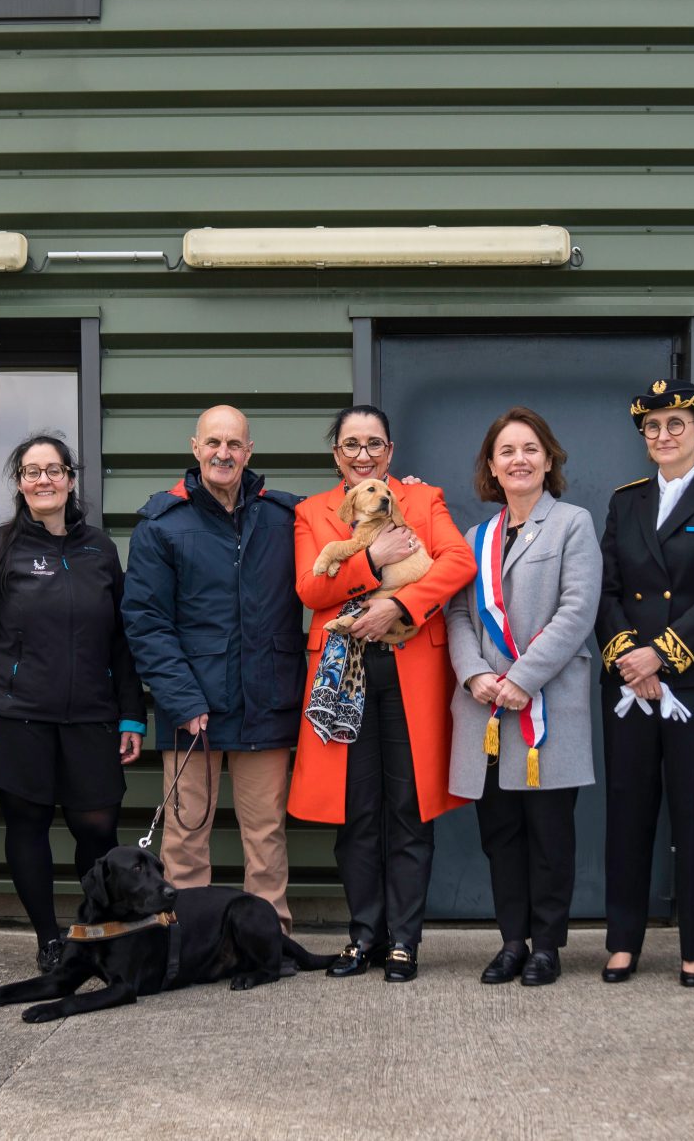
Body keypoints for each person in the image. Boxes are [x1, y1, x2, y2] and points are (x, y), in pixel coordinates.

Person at [290, 405, 478, 982]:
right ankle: (363, 936)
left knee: (408, 808)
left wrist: (400, 603)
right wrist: (372, 561)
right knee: (356, 812)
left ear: (390, 452)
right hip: (343, 676)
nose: (363, 454)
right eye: (351, 444)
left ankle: (404, 941)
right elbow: (310, 587)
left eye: (374, 444)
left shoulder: (423, 501)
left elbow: (458, 561)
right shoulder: (310, 513)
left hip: (409, 670)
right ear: (336, 454)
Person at [0, 434, 144, 970]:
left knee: (98, 828)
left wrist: (131, 712)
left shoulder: (99, 548)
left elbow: (120, 639)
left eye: (53, 470)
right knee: (27, 826)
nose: (43, 480)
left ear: (71, 480)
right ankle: (48, 938)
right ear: (19, 485)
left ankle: (96, 930)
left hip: (92, 716)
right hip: (16, 715)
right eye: (32, 472)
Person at [121, 405, 304, 928]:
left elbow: (356, 517)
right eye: (213, 443)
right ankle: (187, 938)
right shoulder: (163, 524)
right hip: (191, 708)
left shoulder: (285, 517)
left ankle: (270, 934)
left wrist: (400, 489)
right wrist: (183, 700)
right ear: (195, 447)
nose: (223, 453)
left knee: (266, 831)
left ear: (250, 452)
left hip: (266, 701)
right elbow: (146, 621)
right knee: (185, 834)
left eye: (235, 444)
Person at [598, 379, 694, 988]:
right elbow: (606, 589)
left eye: (675, 426)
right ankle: (622, 942)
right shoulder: (625, 500)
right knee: (628, 813)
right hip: (628, 686)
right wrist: (627, 659)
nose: (663, 436)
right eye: (652, 428)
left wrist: (661, 656)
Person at [446, 407, 600, 987]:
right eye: (507, 451)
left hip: (545, 706)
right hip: (486, 708)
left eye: (530, 449)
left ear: (549, 458)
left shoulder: (573, 524)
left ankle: (548, 946)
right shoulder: (476, 537)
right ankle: (512, 941)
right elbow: (459, 613)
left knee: (550, 835)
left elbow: (577, 611)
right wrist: (473, 674)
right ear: (491, 465)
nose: (519, 459)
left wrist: (520, 678)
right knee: (501, 835)